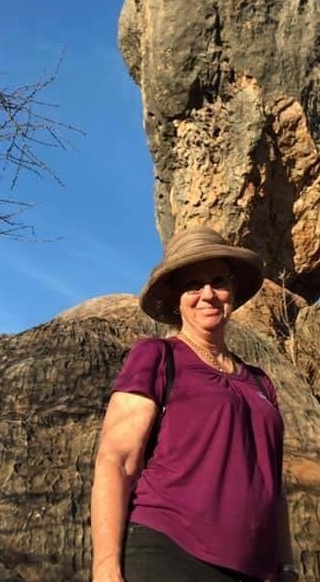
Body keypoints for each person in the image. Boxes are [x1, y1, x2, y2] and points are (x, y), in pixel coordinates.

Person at [91, 225, 297, 582]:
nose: (208, 294)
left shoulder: (261, 381)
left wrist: (287, 566)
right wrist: (105, 567)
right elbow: (117, 459)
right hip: (169, 554)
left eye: (218, 281)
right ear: (176, 299)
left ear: (233, 290)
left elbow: (272, 487)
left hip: (257, 568)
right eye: (193, 285)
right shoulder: (157, 356)